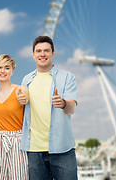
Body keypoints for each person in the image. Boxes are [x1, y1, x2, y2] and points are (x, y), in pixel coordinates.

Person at [20, 35, 78, 180]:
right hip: (34, 150)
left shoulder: (67, 77)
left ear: (53, 53)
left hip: (62, 148)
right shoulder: (27, 80)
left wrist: (63, 103)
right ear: (33, 55)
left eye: (46, 50)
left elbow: (71, 108)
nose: (42, 54)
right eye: (38, 51)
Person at [0, 54, 29, 180]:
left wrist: (25, 99)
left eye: (7, 68)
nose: (3, 71)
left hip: (17, 142)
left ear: (12, 71)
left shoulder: (20, 90)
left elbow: (26, 99)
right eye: (0, 67)